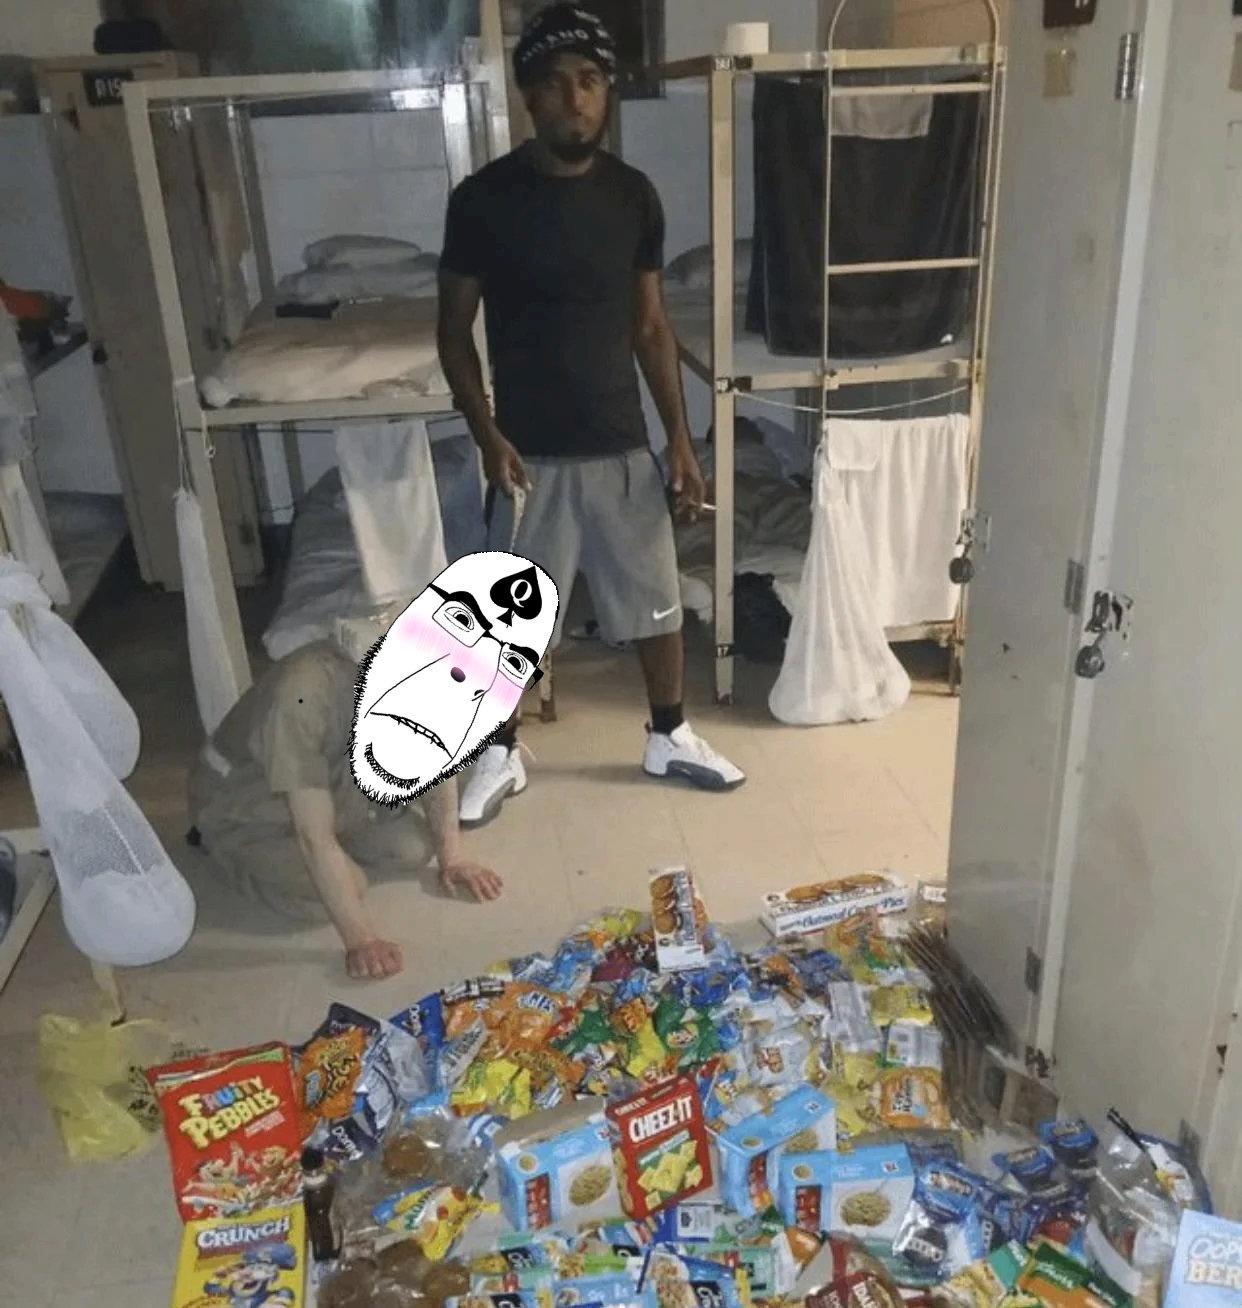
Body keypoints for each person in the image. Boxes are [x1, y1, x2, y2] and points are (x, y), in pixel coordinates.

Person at [437, 2, 746, 829]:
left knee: (658, 602)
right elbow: (453, 333)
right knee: (508, 621)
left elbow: (650, 325)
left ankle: (669, 735)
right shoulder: (483, 201)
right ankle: (500, 750)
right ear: (529, 96)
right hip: (527, 454)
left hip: (620, 444)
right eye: (554, 83)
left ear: (606, 90)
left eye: (590, 80)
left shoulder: (633, 197)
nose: (575, 98)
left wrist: (678, 441)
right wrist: (486, 434)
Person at [186, 605, 501, 980]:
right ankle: (224, 848)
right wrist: (361, 940)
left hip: (333, 777)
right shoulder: (300, 699)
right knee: (342, 892)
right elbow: (313, 837)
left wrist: (453, 857)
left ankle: (337, 848)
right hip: (246, 801)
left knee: (414, 850)